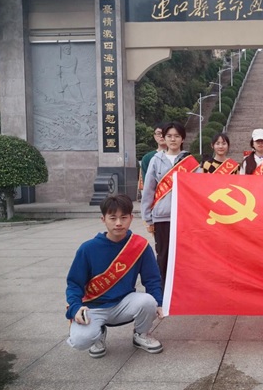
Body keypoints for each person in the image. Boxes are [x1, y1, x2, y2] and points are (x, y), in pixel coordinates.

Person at [65, 194, 164, 358]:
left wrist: (158, 303)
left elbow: (152, 279)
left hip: (123, 303)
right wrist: (75, 307)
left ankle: (141, 334)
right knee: (80, 341)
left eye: (123, 217)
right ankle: (97, 333)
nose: (118, 223)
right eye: (113, 218)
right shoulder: (88, 249)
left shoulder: (139, 246)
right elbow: (74, 284)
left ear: (131, 218)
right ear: (103, 219)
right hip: (93, 307)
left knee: (149, 301)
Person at [141, 122, 199, 286]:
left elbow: (199, 189)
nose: (173, 139)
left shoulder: (190, 162)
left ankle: (183, 289)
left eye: (177, 136)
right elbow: (148, 190)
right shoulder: (156, 160)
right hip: (162, 217)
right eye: (169, 136)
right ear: (164, 138)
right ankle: (163, 291)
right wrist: (147, 217)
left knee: (185, 256)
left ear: (182, 139)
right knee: (163, 255)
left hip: (184, 218)